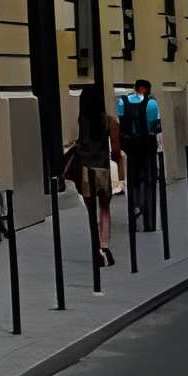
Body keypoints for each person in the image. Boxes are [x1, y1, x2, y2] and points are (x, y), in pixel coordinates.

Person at [62, 87, 122, 267]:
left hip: (86, 168)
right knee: (104, 207)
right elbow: (117, 150)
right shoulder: (109, 122)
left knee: (90, 210)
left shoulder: (82, 121)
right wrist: (120, 170)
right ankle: (105, 246)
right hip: (102, 168)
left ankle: (95, 248)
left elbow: (77, 143)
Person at [117, 78, 162, 229]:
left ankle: (134, 208)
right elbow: (156, 126)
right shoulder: (152, 103)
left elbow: (121, 123)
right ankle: (148, 220)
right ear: (148, 89)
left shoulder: (123, 101)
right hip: (147, 147)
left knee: (133, 180)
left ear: (135, 88)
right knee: (149, 180)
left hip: (131, 148)